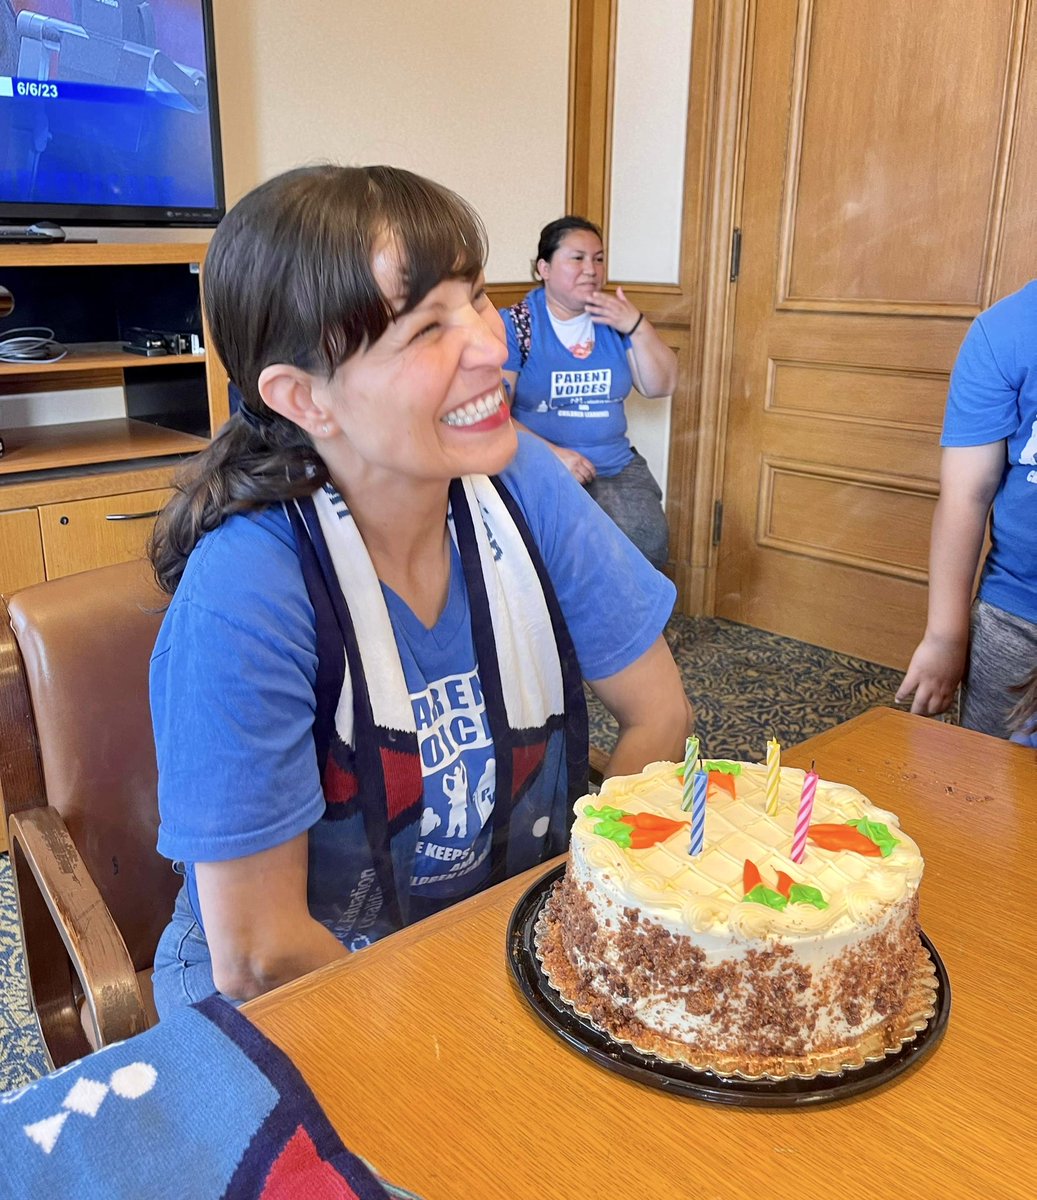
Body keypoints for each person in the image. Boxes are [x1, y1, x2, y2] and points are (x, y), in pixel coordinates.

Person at [148, 165, 695, 1015]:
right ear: (304, 399)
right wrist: (459, 1031)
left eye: (475, 299)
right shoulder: (248, 589)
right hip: (306, 1003)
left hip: (498, 950)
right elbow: (259, 957)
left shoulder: (523, 483)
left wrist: (581, 929)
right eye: (425, 327)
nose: (488, 346)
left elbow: (660, 715)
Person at [897, 282, 1037, 737]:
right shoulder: (1005, 331)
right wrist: (945, 637)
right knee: (989, 785)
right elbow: (965, 495)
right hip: (1015, 617)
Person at [499, 216, 678, 569]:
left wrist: (637, 326)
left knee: (647, 543)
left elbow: (661, 386)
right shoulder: (517, 323)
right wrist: (552, 455)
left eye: (598, 259)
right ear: (544, 268)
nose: (591, 269)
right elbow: (495, 411)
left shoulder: (615, 318)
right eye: (577, 258)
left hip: (613, 465)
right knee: (566, 558)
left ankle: (636, 626)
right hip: (539, 465)